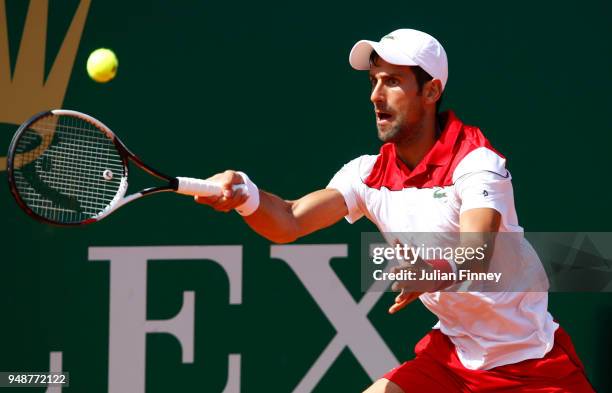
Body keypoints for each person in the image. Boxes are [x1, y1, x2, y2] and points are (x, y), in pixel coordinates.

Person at [194, 29, 595, 393]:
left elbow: (478, 248)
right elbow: (290, 219)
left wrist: (436, 271)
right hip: (452, 361)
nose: (375, 95)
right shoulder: (366, 175)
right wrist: (244, 194)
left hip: (531, 366)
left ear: (431, 91)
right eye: (373, 82)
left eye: (393, 82)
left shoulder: (477, 164)